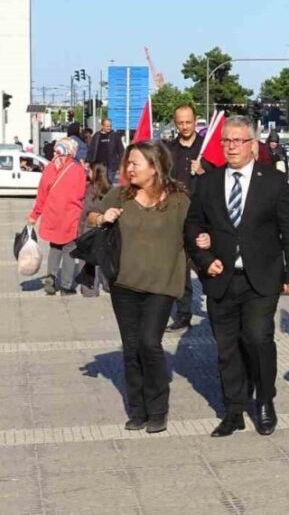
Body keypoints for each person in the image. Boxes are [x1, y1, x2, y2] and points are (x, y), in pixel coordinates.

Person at [185, 116, 289, 437]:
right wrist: (204, 259)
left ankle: (264, 400)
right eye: (226, 141)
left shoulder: (273, 182)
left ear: (253, 145)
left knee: (257, 337)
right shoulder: (209, 182)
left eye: (238, 141)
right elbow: (193, 226)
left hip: (262, 277)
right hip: (222, 278)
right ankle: (233, 410)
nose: (231, 147)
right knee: (227, 347)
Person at [87, 141, 191, 434]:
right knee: (131, 348)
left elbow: (194, 230)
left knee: (149, 342)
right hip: (124, 284)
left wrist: (205, 245)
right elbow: (90, 215)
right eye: (127, 163)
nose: (128, 169)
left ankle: (158, 408)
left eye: (135, 163)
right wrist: (102, 218)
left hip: (162, 283)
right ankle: (138, 409)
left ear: (154, 166)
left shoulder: (179, 199)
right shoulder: (119, 195)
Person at [165, 103, 209, 333]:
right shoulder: (169, 150)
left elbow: (219, 179)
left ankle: (218, 303)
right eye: (180, 122)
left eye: (188, 122)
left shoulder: (206, 149)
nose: (184, 126)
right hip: (176, 215)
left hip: (202, 217)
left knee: (205, 263)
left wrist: (203, 171)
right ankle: (183, 314)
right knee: (179, 268)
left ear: (195, 121)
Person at [26, 138, 86, 295]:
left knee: (55, 247)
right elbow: (81, 194)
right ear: (71, 150)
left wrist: (34, 215)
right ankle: (66, 286)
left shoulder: (49, 168)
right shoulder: (78, 169)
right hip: (71, 215)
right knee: (69, 249)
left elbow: (41, 195)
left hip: (52, 214)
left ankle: (51, 278)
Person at [78, 162, 112, 297]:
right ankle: (108, 285)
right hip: (106, 229)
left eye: (90, 171)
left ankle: (90, 289)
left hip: (90, 227)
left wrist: (79, 231)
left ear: (95, 172)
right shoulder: (110, 189)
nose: (88, 173)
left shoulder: (90, 189)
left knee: (89, 260)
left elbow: (85, 212)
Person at [88, 118, 125, 184]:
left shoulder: (115, 136)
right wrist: (88, 162)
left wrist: (121, 164)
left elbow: (121, 151)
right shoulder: (96, 136)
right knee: (98, 185)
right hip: (98, 166)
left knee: (108, 184)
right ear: (102, 126)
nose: (109, 128)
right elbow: (91, 149)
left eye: (110, 126)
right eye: (107, 126)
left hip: (111, 166)